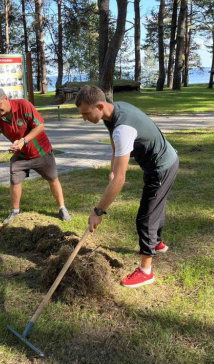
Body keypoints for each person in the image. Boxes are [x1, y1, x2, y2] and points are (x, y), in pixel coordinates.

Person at [75, 86, 179, 289]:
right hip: (164, 160)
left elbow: (120, 181)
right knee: (156, 204)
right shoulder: (114, 113)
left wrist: (98, 211)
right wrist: (113, 168)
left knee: (146, 217)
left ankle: (146, 271)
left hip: (162, 167)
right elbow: (116, 147)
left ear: (100, 106)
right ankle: (157, 243)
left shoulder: (123, 128)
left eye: (86, 113)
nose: (84, 118)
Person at [0, 88, 71, 224]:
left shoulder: (23, 105)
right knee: (15, 181)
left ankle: (62, 208)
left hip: (41, 151)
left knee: (53, 179)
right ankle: (15, 212)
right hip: (20, 155)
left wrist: (24, 140)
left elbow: (40, 126)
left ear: (6, 98)